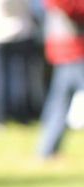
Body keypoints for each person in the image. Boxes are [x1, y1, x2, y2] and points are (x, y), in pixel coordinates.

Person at [37, 0, 84, 156]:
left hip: (68, 46)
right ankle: (46, 149)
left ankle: (46, 149)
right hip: (71, 46)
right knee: (59, 100)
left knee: (59, 100)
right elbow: (69, 6)